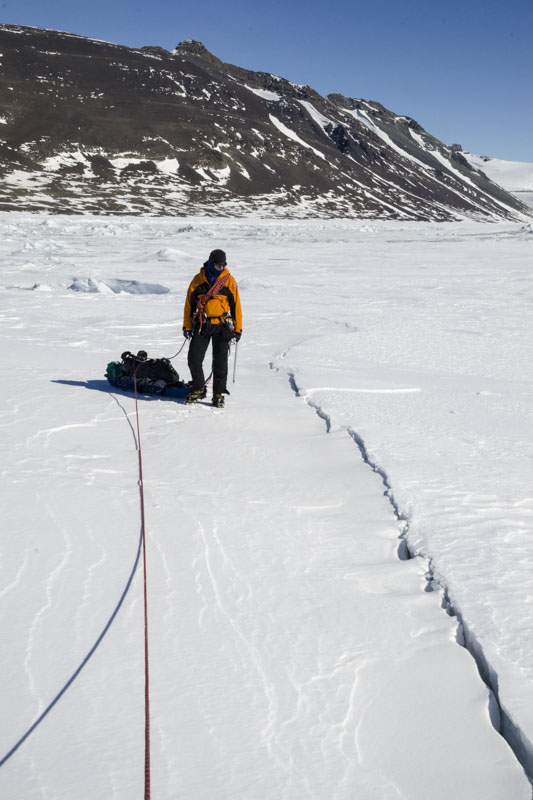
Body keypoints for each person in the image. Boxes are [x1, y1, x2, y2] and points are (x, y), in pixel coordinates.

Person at [183, 248, 242, 408]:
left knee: (220, 362)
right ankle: (198, 388)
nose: (221, 268)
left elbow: (236, 306)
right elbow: (189, 304)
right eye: (218, 265)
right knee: (194, 359)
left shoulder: (229, 281)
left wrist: (238, 328)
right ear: (210, 263)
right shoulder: (197, 280)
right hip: (202, 325)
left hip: (222, 327)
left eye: (224, 265)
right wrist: (187, 326)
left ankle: (218, 394)